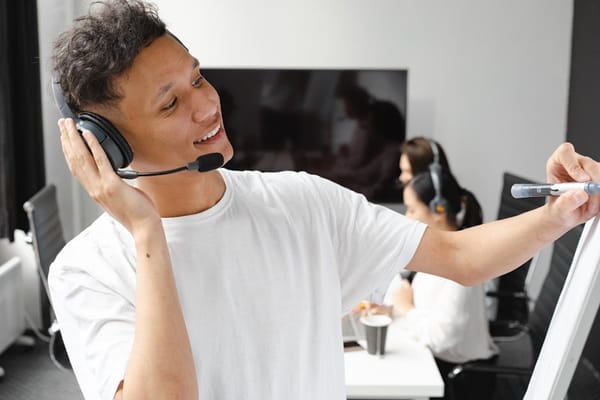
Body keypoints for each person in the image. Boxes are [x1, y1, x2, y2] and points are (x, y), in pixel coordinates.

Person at [49, 1, 600, 400]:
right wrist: (149, 235)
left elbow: (460, 257)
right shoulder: (85, 271)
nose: (207, 103)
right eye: (171, 103)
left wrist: (560, 212)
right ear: (109, 145)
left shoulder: (301, 202)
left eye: (197, 77)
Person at [383, 169, 497, 399]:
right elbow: (426, 308)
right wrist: (393, 310)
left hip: (460, 381)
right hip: (439, 364)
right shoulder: (438, 250)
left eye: (412, 209)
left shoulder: (461, 266)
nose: (406, 217)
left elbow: (442, 339)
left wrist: (407, 309)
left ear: (439, 210)